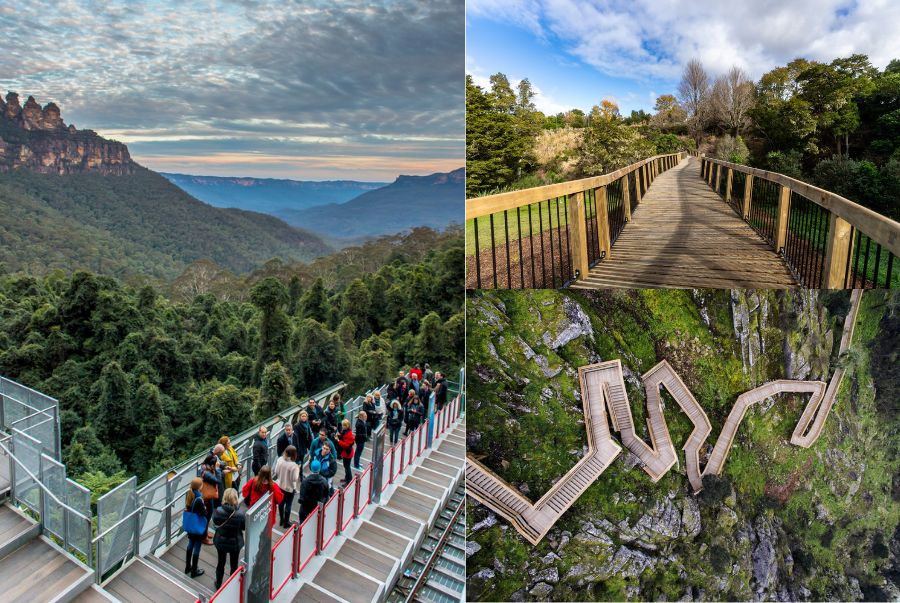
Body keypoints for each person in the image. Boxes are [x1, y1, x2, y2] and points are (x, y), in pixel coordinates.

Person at [212, 488, 245, 590]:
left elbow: (215, 522)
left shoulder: (218, 511)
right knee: (234, 565)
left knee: (220, 563)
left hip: (221, 541)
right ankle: (232, 586)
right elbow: (243, 527)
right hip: (235, 542)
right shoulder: (240, 514)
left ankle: (218, 584)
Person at [184, 477, 207, 578]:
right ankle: (194, 571)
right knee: (197, 547)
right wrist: (205, 509)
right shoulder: (199, 499)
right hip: (197, 528)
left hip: (191, 526)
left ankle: (187, 567)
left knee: (190, 545)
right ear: (200, 487)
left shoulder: (189, 494)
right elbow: (203, 513)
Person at [273, 446, 300, 528]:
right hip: (289, 488)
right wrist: (298, 469)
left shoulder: (280, 459)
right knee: (288, 504)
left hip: (280, 485)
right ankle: (286, 522)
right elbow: (294, 479)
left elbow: (276, 471)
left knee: (281, 503)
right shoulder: (294, 465)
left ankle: (281, 519)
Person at [335, 419, 355, 486]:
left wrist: (338, 440)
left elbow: (346, 445)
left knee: (347, 466)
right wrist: (339, 436)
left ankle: (349, 480)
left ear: (347, 426)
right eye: (343, 425)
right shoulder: (345, 431)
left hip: (347, 453)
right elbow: (343, 438)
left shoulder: (348, 434)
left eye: (344, 425)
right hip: (346, 452)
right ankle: (347, 478)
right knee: (345, 466)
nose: (343, 426)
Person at [294, 411, 314, 477]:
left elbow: (309, 435)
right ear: (300, 417)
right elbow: (296, 437)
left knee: (301, 461)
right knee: (299, 461)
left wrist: (311, 445)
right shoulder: (297, 425)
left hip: (304, 445)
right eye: (302, 416)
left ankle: (300, 474)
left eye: (305, 416)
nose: (304, 418)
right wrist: (297, 448)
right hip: (299, 446)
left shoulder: (307, 423)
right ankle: (300, 475)